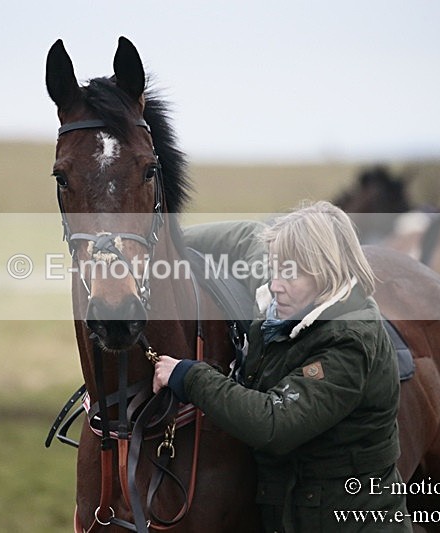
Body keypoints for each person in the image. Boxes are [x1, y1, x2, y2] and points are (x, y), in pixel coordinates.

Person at [154, 201, 411, 532]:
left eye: (289, 273)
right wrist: (161, 242)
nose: (275, 285)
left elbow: (274, 423)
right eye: (275, 269)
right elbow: (245, 239)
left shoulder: (350, 341)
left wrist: (189, 376)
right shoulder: (291, 297)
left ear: (327, 273)